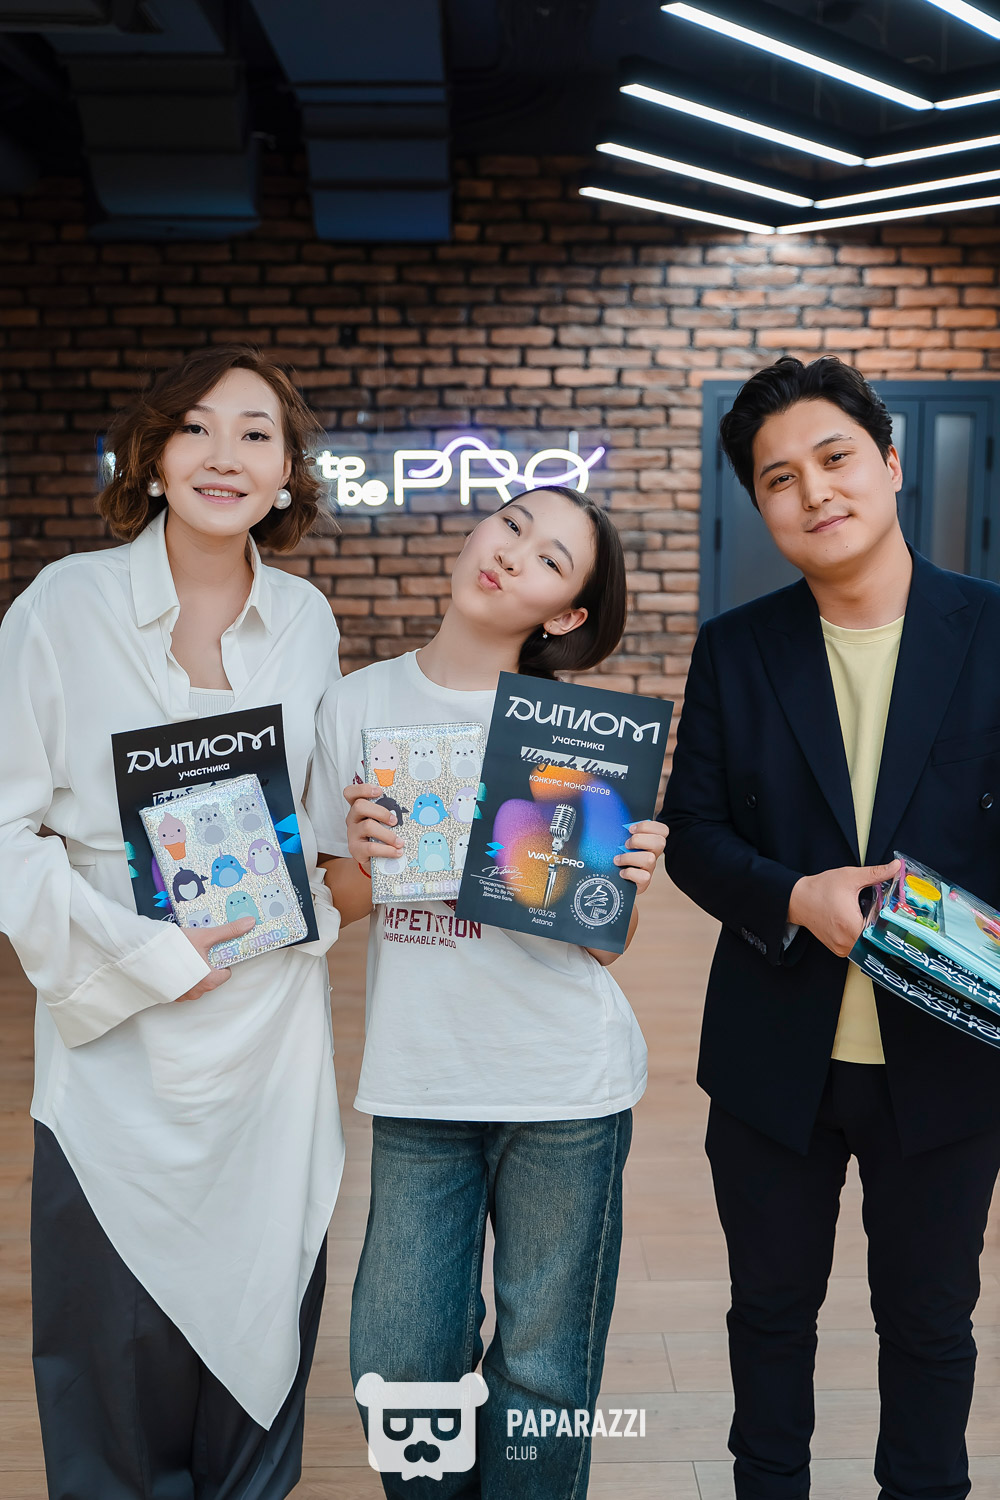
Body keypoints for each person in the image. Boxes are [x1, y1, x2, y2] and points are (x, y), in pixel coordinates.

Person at [0, 344, 345, 1499]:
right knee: (111, 1342)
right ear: (151, 459)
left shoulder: (305, 620)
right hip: (119, 1028)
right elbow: (4, 829)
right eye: (196, 427)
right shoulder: (66, 603)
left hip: (272, 1030)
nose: (224, 454)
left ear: (287, 473)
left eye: (256, 432)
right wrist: (146, 953)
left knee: (260, 1313)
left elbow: (310, 826)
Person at [661, 355, 1000, 1500]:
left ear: (890, 464)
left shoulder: (990, 630)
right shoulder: (736, 648)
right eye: (778, 478)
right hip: (774, 1059)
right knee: (767, 1317)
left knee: (929, 1324)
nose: (813, 491)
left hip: (946, 1063)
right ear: (758, 507)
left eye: (835, 457)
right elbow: (693, 833)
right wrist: (790, 897)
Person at [306, 484, 667, 1499]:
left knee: (543, 1372)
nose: (511, 554)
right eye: (511, 524)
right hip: (419, 1078)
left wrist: (616, 883)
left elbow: (604, 947)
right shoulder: (357, 704)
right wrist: (369, 862)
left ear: (565, 614)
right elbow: (331, 900)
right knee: (399, 1365)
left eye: (551, 559)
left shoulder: (577, 731)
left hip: (563, 1086)